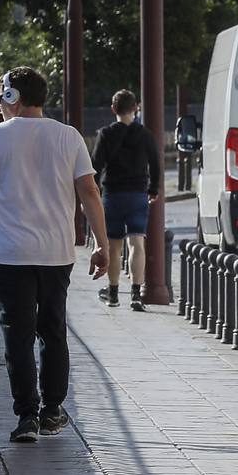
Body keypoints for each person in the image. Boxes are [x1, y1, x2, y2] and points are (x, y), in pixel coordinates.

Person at [0, 67, 109, 442]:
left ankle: (27, 417)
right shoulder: (68, 137)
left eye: (0, 95)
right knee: (53, 332)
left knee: (16, 336)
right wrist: (102, 244)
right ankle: (53, 409)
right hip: (56, 253)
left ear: (11, 97)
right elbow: (89, 192)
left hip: (7, 255)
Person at [90, 89, 161, 310]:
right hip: (138, 193)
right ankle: (136, 293)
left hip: (113, 194)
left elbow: (95, 166)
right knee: (137, 242)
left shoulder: (106, 134)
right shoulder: (145, 135)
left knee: (113, 245)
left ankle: (112, 292)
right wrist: (153, 189)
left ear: (113, 109)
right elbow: (156, 164)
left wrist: (94, 191)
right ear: (135, 108)